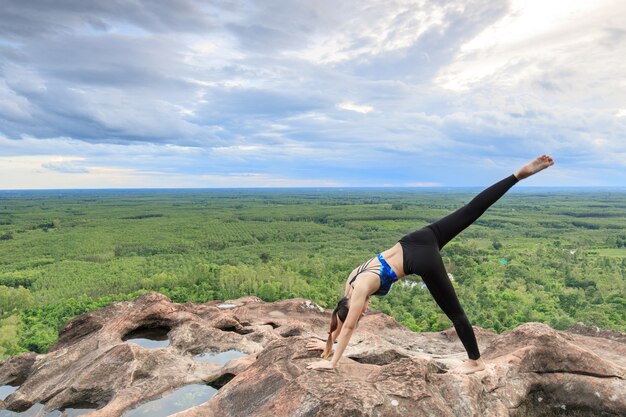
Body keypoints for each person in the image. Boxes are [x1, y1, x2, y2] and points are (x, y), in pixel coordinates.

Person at [306, 155, 555, 374]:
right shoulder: (351, 282)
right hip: (417, 238)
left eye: (362, 311)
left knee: (455, 313)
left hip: (420, 260)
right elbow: (340, 317)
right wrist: (328, 343)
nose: (365, 310)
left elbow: (348, 324)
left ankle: (475, 361)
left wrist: (332, 361)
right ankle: (516, 176)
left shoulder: (360, 288)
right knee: (470, 210)